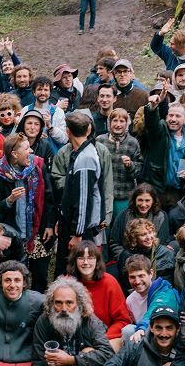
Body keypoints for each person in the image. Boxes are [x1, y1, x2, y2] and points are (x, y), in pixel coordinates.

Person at [0, 132, 55, 292]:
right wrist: (10, 200)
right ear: (14, 154)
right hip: (13, 234)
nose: (31, 151)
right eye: (26, 148)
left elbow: (49, 197)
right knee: (14, 279)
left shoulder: (37, 165)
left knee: (40, 278)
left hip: (38, 232)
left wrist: (49, 224)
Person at [58, 113, 111, 275]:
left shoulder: (85, 159)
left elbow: (83, 201)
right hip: (71, 224)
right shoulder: (82, 152)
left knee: (74, 274)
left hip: (80, 230)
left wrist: (77, 234)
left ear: (68, 131)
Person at [32, 276, 114, 364]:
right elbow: (38, 359)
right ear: (52, 303)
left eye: (69, 302)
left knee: (88, 350)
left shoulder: (90, 321)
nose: (64, 309)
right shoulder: (44, 321)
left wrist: (72, 360)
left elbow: (108, 354)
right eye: (58, 303)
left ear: (79, 303)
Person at [65, 241, 129, 350]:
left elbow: (123, 320)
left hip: (105, 338)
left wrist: (102, 339)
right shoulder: (67, 283)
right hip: (74, 338)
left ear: (97, 261)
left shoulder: (109, 282)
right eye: (81, 258)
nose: (86, 262)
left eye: (90, 258)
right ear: (74, 261)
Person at [141, 91, 185, 206]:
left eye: (178, 116)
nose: (173, 119)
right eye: (171, 115)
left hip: (177, 191)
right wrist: (153, 108)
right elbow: (152, 125)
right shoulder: (161, 131)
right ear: (166, 117)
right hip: (156, 189)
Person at [108, 183, 169, 260]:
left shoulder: (161, 217)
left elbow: (162, 244)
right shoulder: (123, 216)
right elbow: (114, 242)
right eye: (140, 200)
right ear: (134, 200)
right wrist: (127, 258)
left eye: (147, 200)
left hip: (153, 260)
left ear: (153, 201)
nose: (143, 204)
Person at [106, 306, 180, 366]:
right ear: (151, 328)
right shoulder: (135, 346)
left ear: (177, 329)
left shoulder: (183, 348)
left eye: (169, 328)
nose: (164, 334)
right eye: (159, 328)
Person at [150, 18, 185, 94]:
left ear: (182, 45)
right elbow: (156, 47)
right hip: (170, 95)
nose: (170, 46)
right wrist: (161, 33)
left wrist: (179, 85)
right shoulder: (171, 53)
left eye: (172, 44)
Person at [116, 219, 175, 288]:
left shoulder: (166, 253)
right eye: (143, 235)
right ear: (134, 238)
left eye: (150, 232)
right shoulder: (126, 256)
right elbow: (125, 285)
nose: (148, 237)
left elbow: (170, 283)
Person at [25, 76, 68, 149]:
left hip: (51, 153)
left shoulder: (58, 112)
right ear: (34, 92)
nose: (42, 93)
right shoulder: (26, 110)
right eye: (39, 89)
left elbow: (64, 139)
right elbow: (18, 135)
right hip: (30, 152)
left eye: (46, 90)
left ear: (50, 92)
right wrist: (33, 135)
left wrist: (50, 127)